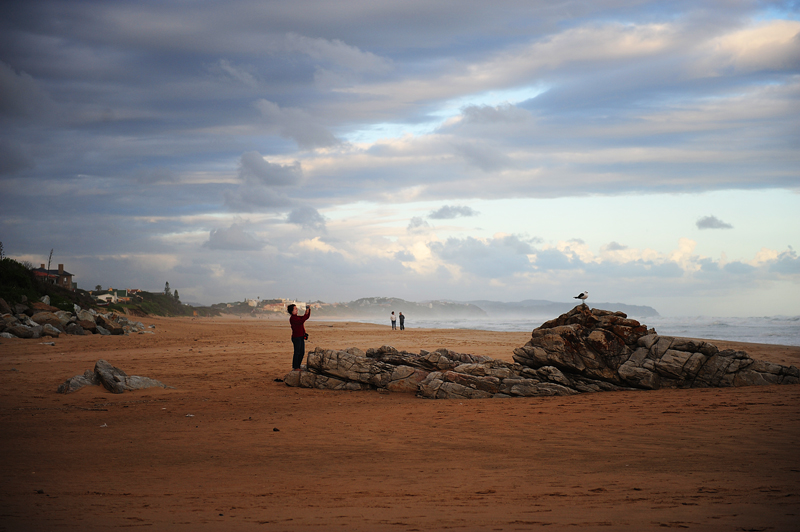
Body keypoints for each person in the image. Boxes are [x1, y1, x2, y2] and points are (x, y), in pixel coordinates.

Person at [288, 303, 311, 371]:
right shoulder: (292, 318)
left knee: (302, 352)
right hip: (296, 338)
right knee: (297, 352)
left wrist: (308, 310)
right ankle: (296, 367)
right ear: (291, 311)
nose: (297, 310)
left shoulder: (297, 317)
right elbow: (301, 321)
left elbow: (305, 317)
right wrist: (306, 313)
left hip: (301, 337)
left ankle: (298, 366)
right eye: (295, 309)